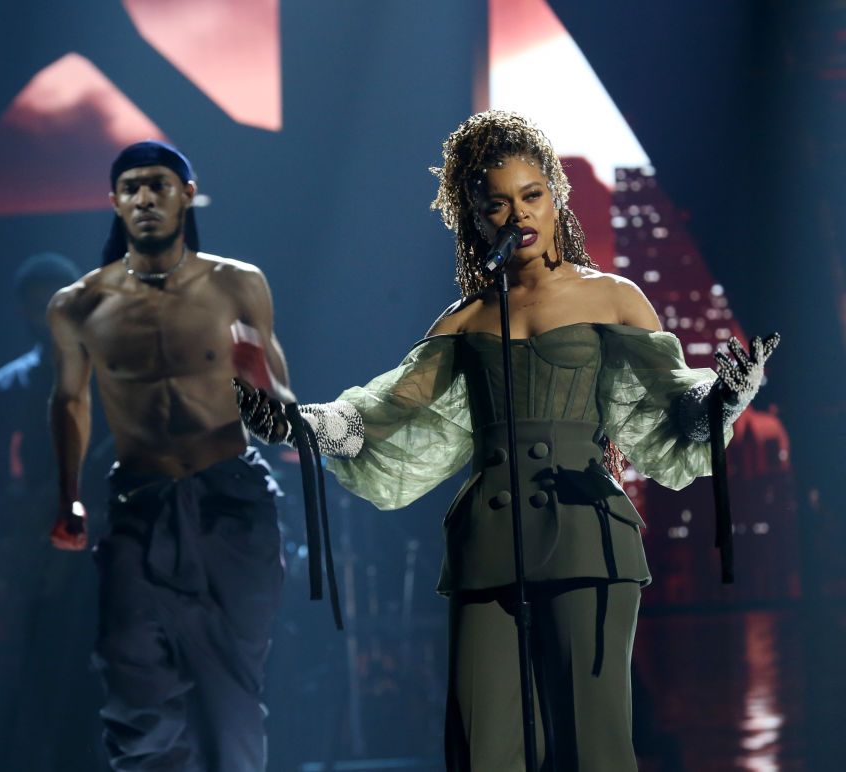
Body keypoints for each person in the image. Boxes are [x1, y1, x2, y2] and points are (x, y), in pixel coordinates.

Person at [235, 111, 779, 771]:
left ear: (555, 194)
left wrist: (728, 394)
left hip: (587, 534)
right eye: (496, 203)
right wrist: (302, 423)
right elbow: (382, 408)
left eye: (531, 195)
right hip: (486, 545)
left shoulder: (611, 297)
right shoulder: (463, 320)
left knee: (592, 746)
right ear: (472, 215)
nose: (517, 214)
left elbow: (675, 401)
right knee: (481, 748)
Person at [47, 140, 287, 771]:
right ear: (114, 203)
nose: (144, 198)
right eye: (130, 187)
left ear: (187, 192)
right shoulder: (80, 305)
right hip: (141, 505)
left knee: (232, 689)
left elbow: (280, 411)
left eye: (157, 184)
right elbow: (69, 402)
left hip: (230, 502)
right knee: (135, 684)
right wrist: (69, 494)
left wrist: (261, 380)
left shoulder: (237, 284)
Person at [0, 251, 107, 772]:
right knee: (57, 692)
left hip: (112, 549)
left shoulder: (115, 371)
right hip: (48, 557)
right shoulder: (12, 384)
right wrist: (17, 528)